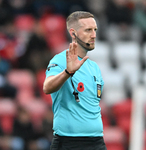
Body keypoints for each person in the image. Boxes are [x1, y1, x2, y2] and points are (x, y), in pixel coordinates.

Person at [43, 11, 106, 150]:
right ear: (73, 33)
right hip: (69, 143)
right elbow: (47, 87)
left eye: (95, 30)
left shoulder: (94, 67)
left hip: (97, 142)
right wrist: (68, 72)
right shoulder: (61, 60)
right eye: (88, 30)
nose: (94, 35)